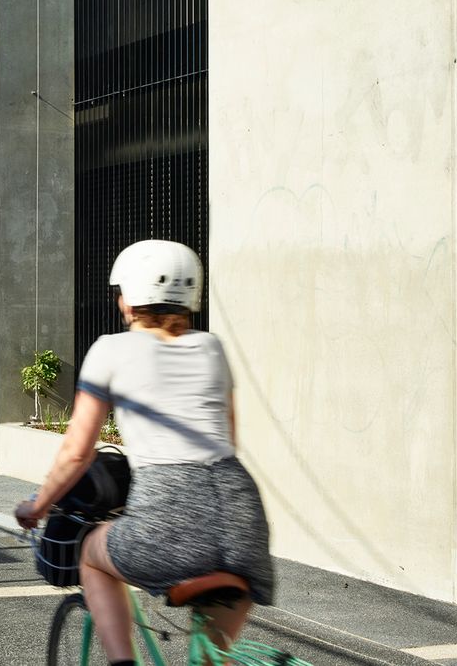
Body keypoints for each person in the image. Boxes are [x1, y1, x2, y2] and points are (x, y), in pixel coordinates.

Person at [15, 240, 273, 660]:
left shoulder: (110, 350)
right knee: (210, 659)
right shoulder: (213, 348)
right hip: (244, 519)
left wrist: (38, 507)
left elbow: (76, 453)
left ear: (130, 299)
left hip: (169, 512)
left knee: (94, 556)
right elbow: (227, 435)